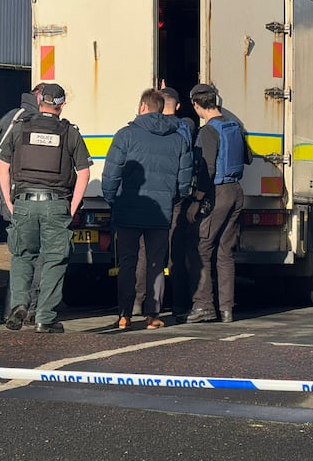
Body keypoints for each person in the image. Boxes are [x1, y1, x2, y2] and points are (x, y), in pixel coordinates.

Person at [0, 83, 92, 333]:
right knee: (54, 260)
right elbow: (83, 173)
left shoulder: (20, 128)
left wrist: (8, 200)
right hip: (56, 203)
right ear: (61, 105)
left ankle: (19, 304)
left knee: (22, 256)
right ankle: (44, 317)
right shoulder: (69, 132)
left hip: (24, 203)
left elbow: (2, 165)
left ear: (39, 101)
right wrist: (72, 207)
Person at [102, 88, 193, 331]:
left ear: (143, 107)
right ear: (162, 108)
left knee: (128, 263)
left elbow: (111, 174)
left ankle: (125, 314)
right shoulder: (178, 139)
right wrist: (173, 198)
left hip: (128, 210)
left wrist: (112, 200)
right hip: (161, 212)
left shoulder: (125, 135)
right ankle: (153, 315)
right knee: (156, 263)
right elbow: (185, 181)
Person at [185, 83, 250, 324]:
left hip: (218, 193)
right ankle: (226, 309)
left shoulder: (208, 132)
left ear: (196, 105)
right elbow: (248, 157)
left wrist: (196, 201)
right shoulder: (233, 126)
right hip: (236, 191)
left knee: (201, 248)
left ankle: (203, 306)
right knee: (225, 252)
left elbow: (208, 168)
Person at [133, 86, 197, 323]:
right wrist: (179, 195)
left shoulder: (138, 130)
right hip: (173, 199)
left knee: (143, 253)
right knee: (174, 252)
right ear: (178, 106)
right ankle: (179, 303)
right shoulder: (185, 128)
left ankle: (138, 301)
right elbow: (186, 168)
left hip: (144, 199)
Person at [0, 82, 46, 326]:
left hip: (13, 199)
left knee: (21, 256)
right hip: (23, 199)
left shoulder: (11, 118)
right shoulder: (30, 121)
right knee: (33, 257)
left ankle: (15, 310)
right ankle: (28, 309)